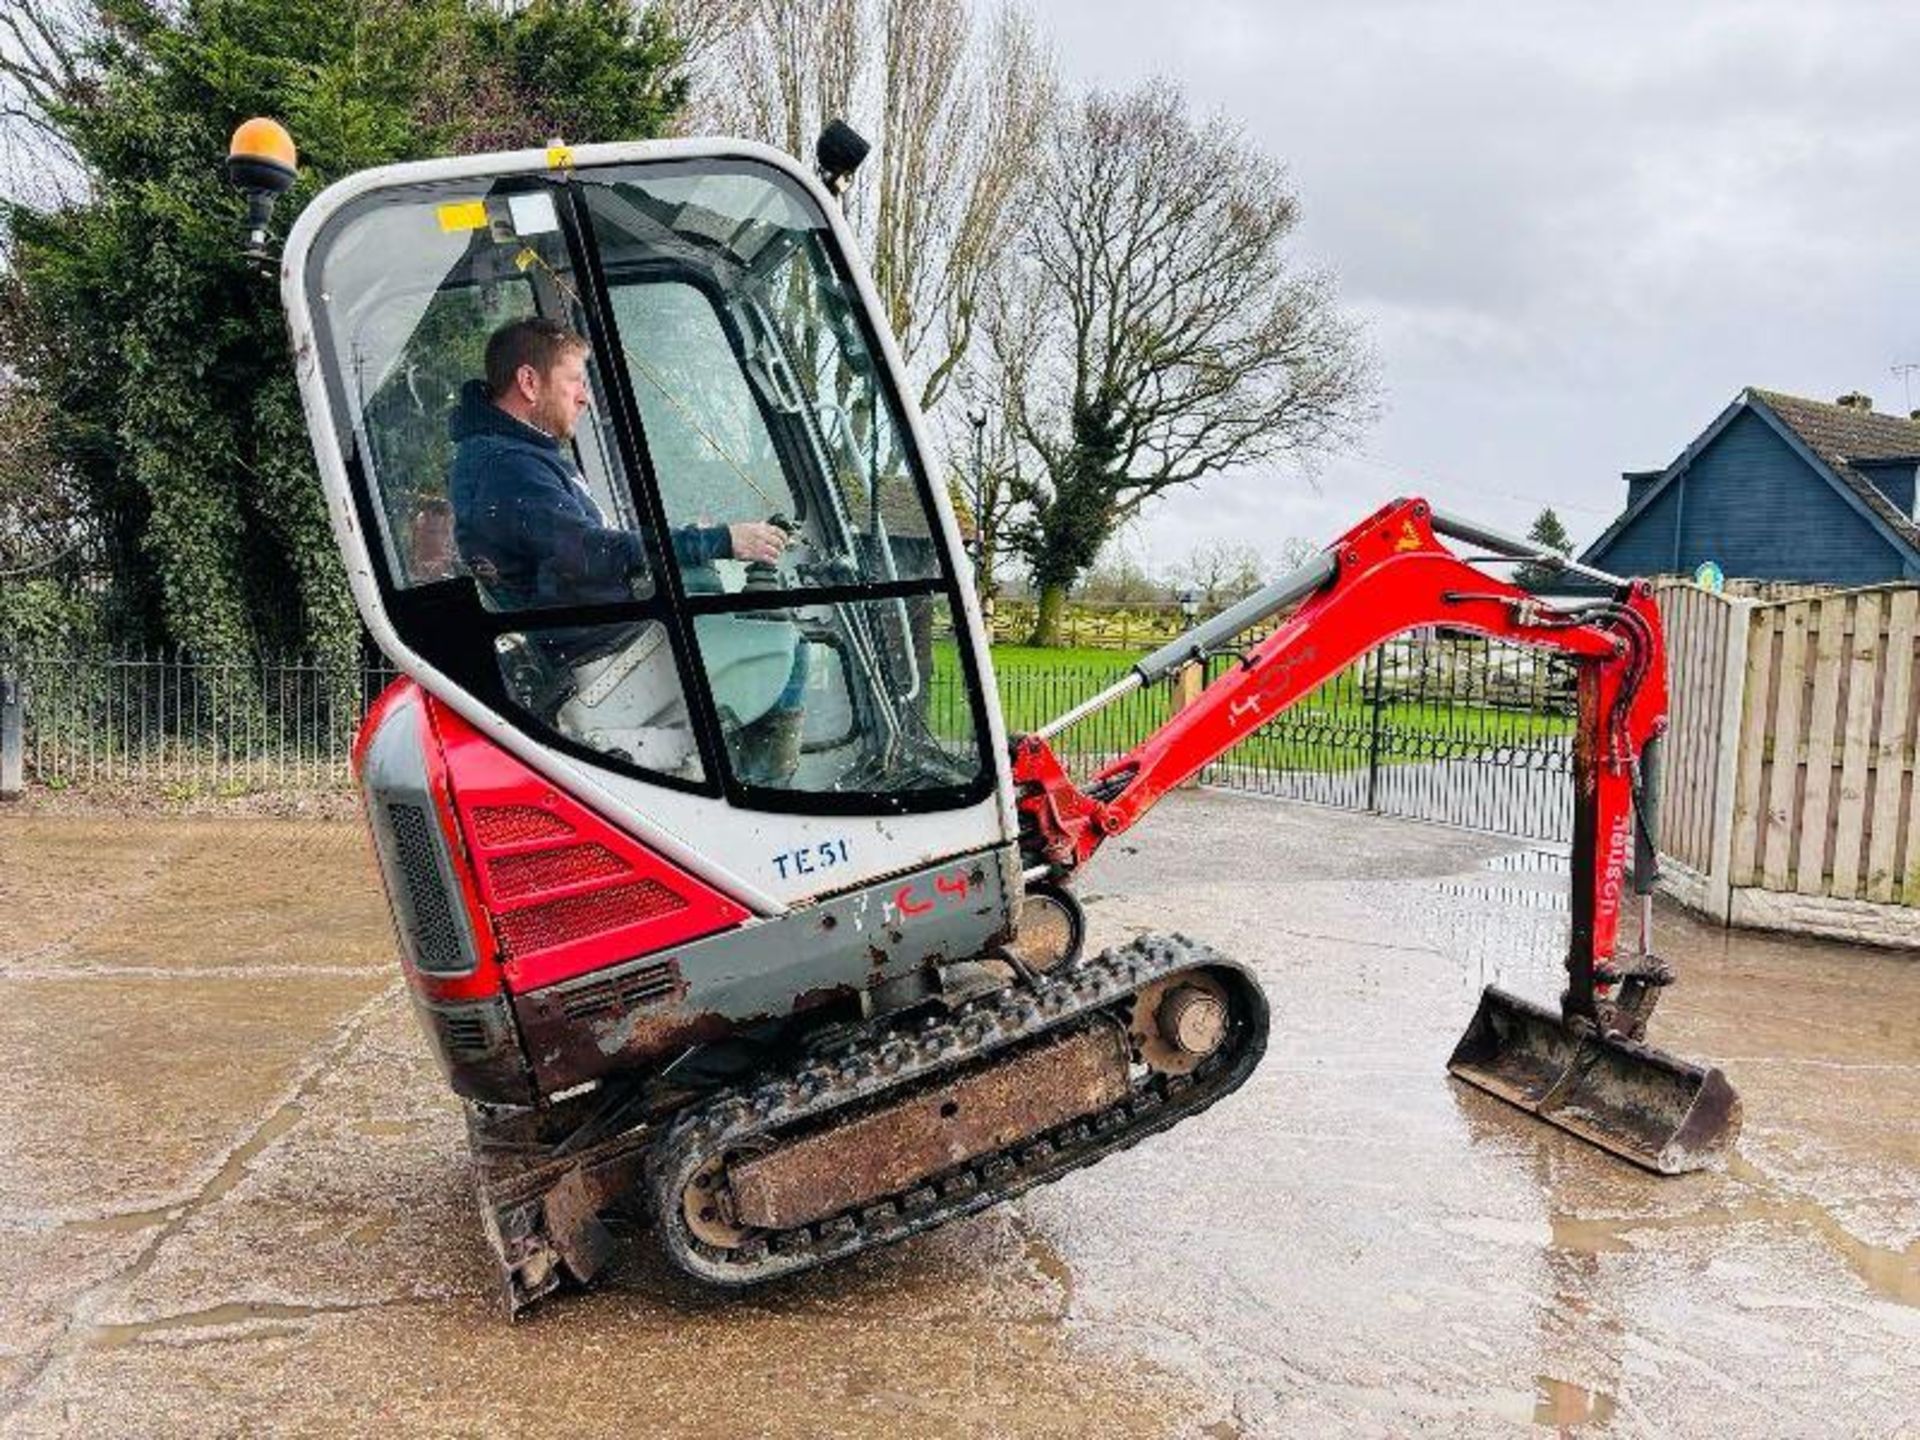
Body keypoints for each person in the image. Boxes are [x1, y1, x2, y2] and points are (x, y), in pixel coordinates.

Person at [448, 317, 787, 609]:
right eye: (574, 380)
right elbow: (590, 556)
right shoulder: (508, 468)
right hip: (597, 644)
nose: (585, 397)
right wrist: (719, 541)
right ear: (529, 382)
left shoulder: (522, 455)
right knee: (776, 638)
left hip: (608, 626)